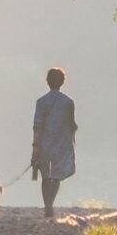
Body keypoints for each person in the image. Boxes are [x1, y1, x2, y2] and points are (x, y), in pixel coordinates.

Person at [30, 67, 77, 218]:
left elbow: (37, 126)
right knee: (56, 176)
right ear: (62, 82)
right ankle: (50, 204)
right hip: (61, 143)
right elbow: (72, 125)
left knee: (45, 175)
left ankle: (47, 205)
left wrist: (35, 147)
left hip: (44, 143)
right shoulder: (68, 102)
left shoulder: (41, 102)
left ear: (47, 82)